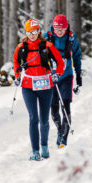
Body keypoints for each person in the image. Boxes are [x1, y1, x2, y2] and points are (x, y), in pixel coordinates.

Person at [13, 18, 65, 160]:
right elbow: (16, 62)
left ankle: (44, 147)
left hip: (45, 86)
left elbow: (60, 62)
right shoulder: (21, 47)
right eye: (29, 32)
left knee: (43, 119)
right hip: (28, 86)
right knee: (33, 118)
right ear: (26, 32)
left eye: (35, 31)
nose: (32, 34)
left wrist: (57, 74)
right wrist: (17, 76)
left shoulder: (47, 46)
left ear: (39, 31)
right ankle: (35, 151)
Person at [46, 14, 82, 148]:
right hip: (51, 78)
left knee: (65, 106)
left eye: (62, 30)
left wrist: (78, 75)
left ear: (66, 28)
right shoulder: (47, 37)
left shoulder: (71, 39)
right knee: (53, 109)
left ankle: (64, 139)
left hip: (66, 76)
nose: (59, 32)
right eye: (57, 29)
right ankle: (60, 131)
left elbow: (77, 56)